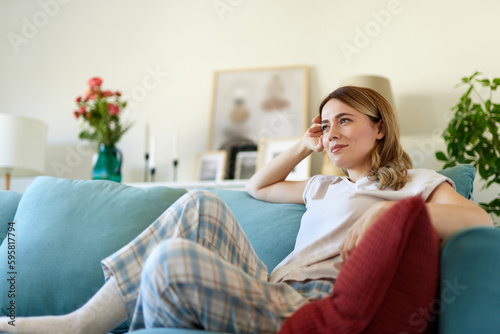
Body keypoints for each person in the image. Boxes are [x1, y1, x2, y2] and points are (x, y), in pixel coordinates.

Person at [0, 86, 492, 334]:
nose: (333, 131)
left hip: (317, 299)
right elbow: (259, 185)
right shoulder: (321, 185)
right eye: (326, 123)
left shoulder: (416, 182)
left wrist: (386, 216)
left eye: (345, 120)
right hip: (270, 285)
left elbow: (478, 220)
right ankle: (81, 323)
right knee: (200, 205)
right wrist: (305, 146)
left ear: (380, 128)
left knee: (171, 261)